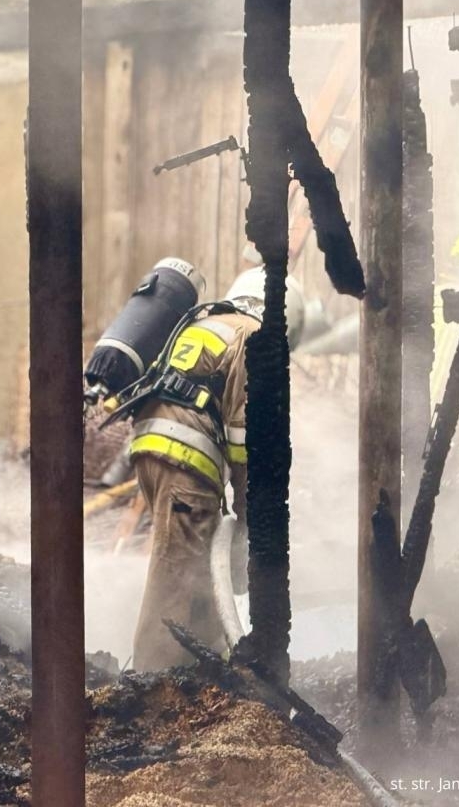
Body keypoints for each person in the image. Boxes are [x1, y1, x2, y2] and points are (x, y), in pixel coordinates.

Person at [115, 265, 305, 670]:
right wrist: (251, 513)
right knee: (176, 578)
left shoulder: (206, 321)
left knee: (194, 567)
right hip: (188, 457)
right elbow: (246, 437)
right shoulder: (255, 339)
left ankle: (201, 671)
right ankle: (152, 686)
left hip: (152, 449)